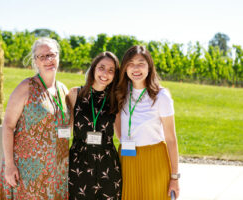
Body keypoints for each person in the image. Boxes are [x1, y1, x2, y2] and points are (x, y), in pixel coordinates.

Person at [0, 37, 70, 200]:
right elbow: (8, 126)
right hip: (28, 172)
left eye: (51, 55)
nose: (48, 60)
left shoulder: (63, 89)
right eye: (42, 57)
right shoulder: (26, 87)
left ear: (58, 56)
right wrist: (9, 165)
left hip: (57, 173)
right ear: (35, 61)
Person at [115, 45, 180, 199]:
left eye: (140, 63)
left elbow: (171, 139)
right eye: (130, 63)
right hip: (127, 159)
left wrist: (175, 177)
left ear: (149, 67)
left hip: (154, 159)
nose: (135, 68)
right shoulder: (120, 93)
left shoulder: (161, 96)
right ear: (124, 68)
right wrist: (124, 140)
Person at [67, 51, 122, 200]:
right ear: (93, 68)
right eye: (101, 67)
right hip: (79, 163)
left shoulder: (116, 99)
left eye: (111, 70)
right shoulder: (74, 94)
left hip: (108, 165)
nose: (105, 73)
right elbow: (65, 130)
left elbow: (122, 135)